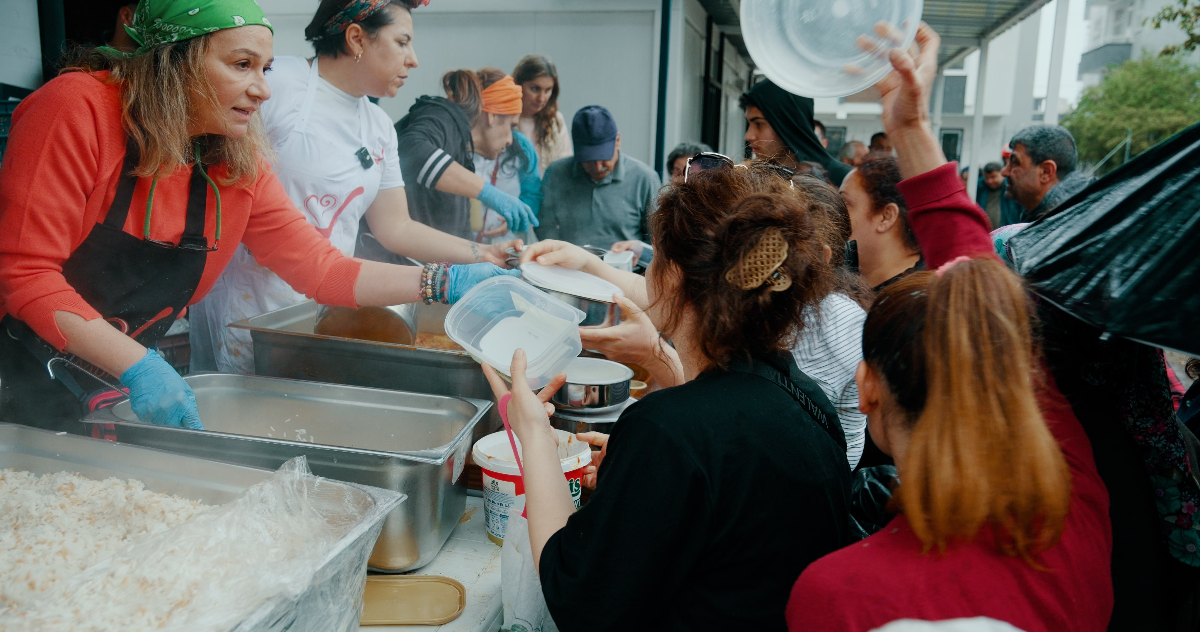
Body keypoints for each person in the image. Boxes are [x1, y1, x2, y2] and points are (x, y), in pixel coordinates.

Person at [0, 0, 516, 433]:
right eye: (241, 65)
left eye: (264, 69)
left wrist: (442, 281)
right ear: (173, 61)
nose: (263, 89)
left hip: (121, 392)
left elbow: (324, 271)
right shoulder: (76, 109)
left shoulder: (233, 158)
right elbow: (25, 274)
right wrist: (138, 366)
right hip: (26, 382)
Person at [787, 25, 1113, 631]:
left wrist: (909, 126)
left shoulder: (839, 597)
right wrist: (909, 129)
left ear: (867, 390)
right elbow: (982, 296)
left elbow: (983, 295)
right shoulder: (1073, 513)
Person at [493, 162, 852, 631]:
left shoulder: (667, 430)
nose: (648, 274)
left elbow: (578, 600)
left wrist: (535, 434)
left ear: (675, 278)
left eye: (654, 259)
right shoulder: (806, 398)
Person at [190, 0, 521, 374]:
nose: (413, 60)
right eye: (402, 42)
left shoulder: (378, 126)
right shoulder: (279, 83)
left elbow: (396, 227)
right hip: (252, 302)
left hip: (335, 296)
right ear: (356, 38)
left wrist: (483, 254)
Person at [373, 67, 537, 245]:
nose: (510, 141)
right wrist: (489, 193)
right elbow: (411, 151)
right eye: (511, 127)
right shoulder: (442, 116)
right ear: (492, 117)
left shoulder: (461, 154)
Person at [537, 105, 659, 249]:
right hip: (568, 268)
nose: (598, 167)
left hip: (625, 269)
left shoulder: (644, 179)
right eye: (588, 160)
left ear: (618, 141)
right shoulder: (556, 173)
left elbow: (659, 240)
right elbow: (544, 224)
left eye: (604, 158)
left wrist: (639, 251)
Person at [741, 79, 852, 186]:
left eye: (759, 124)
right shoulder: (753, 178)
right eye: (749, 124)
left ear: (788, 124)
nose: (748, 136)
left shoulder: (844, 180)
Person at [841, 154, 922, 291]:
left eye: (845, 202)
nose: (834, 211)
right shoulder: (851, 282)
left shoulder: (912, 302)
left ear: (886, 217)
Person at [1002, 125, 1094, 222]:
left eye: (1015, 162)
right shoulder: (1071, 215)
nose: (1004, 172)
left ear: (1046, 172)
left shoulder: (1074, 223)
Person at [472, 124, 542, 244]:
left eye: (513, 125)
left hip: (510, 240)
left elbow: (533, 193)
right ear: (490, 118)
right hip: (467, 240)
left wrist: (515, 220)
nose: (510, 139)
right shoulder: (461, 143)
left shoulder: (521, 145)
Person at [513, 54, 572, 176]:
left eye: (547, 90)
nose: (541, 98)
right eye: (535, 89)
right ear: (518, 85)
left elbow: (566, 167)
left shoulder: (556, 121)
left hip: (550, 192)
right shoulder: (503, 119)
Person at [975, 161, 1021, 228]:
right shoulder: (980, 187)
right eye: (987, 178)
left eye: (993, 177)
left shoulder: (1011, 189)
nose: (990, 181)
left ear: (1002, 174)